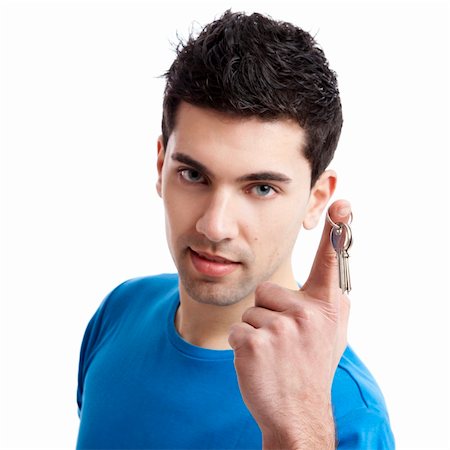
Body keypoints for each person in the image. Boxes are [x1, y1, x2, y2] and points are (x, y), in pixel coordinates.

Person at [76, 10, 395, 449]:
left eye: (261, 188)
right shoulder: (120, 311)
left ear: (317, 198)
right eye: (193, 175)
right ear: (160, 164)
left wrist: (297, 429)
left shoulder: (347, 415)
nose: (214, 225)